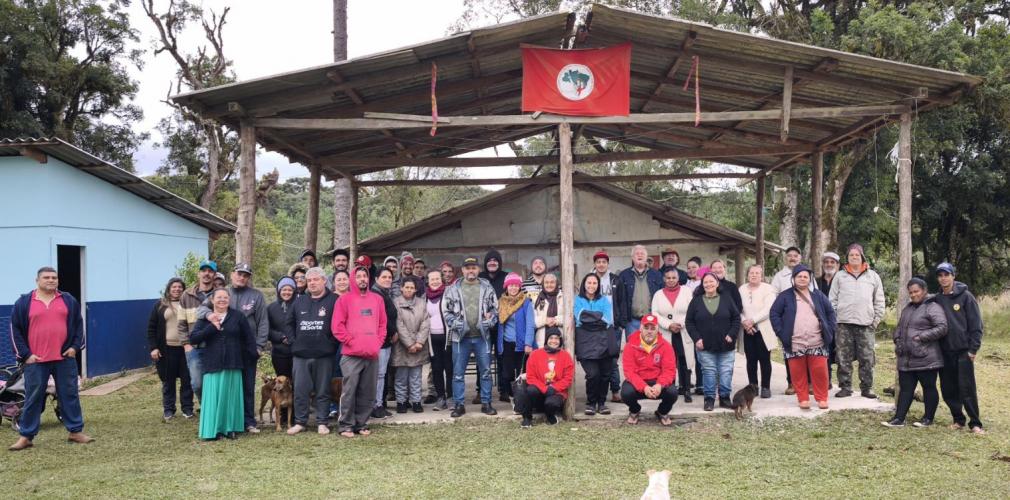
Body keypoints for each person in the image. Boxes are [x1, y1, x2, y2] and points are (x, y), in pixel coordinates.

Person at [8, 267, 92, 451]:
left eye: (54, 277)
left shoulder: (68, 300)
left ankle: (75, 431)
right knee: (33, 398)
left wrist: (74, 348)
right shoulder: (24, 302)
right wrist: (26, 355)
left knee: (69, 396)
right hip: (36, 361)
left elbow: (79, 325)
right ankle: (26, 436)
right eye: (46, 277)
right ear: (37, 280)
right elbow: (15, 331)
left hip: (64, 359)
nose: (51, 280)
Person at [199, 263, 268, 435]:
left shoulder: (256, 296)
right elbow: (200, 309)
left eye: (246, 275)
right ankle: (226, 420)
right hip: (226, 349)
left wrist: (259, 346)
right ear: (232, 274)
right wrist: (208, 314)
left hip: (248, 349)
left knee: (247, 386)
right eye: (239, 274)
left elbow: (263, 322)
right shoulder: (222, 293)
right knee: (228, 386)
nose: (242, 277)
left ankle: (249, 421)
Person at [190, 288, 257, 441]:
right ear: (212, 300)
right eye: (219, 297)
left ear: (229, 300)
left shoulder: (238, 316)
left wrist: (252, 356)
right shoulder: (206, 318)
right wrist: (212, 327)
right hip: (213, 364)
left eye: (225, 297)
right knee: (214, 398)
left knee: (230, 398)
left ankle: (230, 429)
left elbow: (248, 339)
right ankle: (214, 430)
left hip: (233, 364)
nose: (222, 300)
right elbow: (194, 338)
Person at [882, 278, 947, 428]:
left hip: (926, 357)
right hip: (906, 357)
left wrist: (921, 337)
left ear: (924, 290)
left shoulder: (932, 306)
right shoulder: (908, 308)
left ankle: (928, 418)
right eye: (910, 292)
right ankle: (899, 419)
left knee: (928, 387)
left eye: (916, 291)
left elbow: (942, 327)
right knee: (906, 389)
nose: (913, 295)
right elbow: (900, 327)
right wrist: (897, 338)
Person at [769, 265, 836, 410]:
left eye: (805, 276)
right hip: (794, 341)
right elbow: (774, 313)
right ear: (793, 279)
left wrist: (830, 329)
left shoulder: (817, 295)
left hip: (817, 340)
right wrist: (781, 332)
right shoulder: (785, 296)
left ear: (810, 279)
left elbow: (830, 312)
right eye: (799, 276)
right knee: (797, 372)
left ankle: (822, 398)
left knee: (820, 371)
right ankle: (803, 398)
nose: (802, 278)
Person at [283, 268, 339, 435]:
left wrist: (331, 343)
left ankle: (322, 421)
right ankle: (300, 421)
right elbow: (288, 323)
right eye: (310, 280)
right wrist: (294, 342)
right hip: (301, 354)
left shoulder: (334, 300)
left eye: (316, 279)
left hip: (324, 354)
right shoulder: (299, 301)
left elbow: (340, 323)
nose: (313, 283)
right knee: (301, 389)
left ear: (324, 281)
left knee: (323, 390)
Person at [333, 267, 388, 437]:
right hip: (351, 355)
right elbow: (337, 326)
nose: (362, 279)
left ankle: (361, 424)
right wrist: (351, 341)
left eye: (365, 276)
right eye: (358, 276)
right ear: (353, 279)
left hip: (372, 354)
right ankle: (345, 425)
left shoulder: (377, 299)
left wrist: (377, 342)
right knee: (349, 391)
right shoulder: (344, 300)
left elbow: (382, 324)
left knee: (368, 391)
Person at [443, 256, 499, 417]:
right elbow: (446, 312)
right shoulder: (453, 288)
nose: (471, 270)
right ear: (462, 270)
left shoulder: (487, 287)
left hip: (483, 336)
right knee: (458, 373)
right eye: (467, 268)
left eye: (474, 267)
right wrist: (455, 323)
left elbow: (496, 309)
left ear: (478, 269)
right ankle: (459, 405)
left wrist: (491, 321)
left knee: (486, 371)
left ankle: (486, 403)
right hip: (460, 338)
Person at [933, 262, 985, 434]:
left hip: (963, 351)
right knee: (948, 388)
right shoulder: (937, 299)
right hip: (944, 352)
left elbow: (976, 325)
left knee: (966, 387)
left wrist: (973, 349)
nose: (943, 278)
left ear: (953, 276)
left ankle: (975, 423)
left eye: (946, 274)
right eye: (940, 275)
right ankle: (958, 419)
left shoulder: (966, 297)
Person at [828, 243, 885, 399]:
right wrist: (835, 319)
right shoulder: (840, 276)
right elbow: (832, 299)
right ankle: (845, 387)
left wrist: (875, 320)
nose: (854, 257)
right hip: (843, 324)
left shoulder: (873, 276)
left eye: (857, 255)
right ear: (847, 258)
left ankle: (867, 388)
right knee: (842, 357)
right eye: (851, 255)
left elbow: (879, 300)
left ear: (862, 257)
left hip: (866, 324)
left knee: (867, 358)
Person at [686, 271, 741, 411]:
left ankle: (724, 398)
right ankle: (709, 399)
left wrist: (732, 334)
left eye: (711, 281)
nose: (709, 284)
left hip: (726, 344)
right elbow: (689, 322)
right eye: (705, 282)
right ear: (702, 285)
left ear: (717, 283)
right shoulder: (696, 301)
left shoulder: (727, 298)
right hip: (704, 344)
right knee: (709, 372)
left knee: (726, 371)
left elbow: (736, 318)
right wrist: (696, 338)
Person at [147, 277, 194, 422]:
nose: (177, 289)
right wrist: (154, 347)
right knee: (168, 381)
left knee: (187, 380)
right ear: (169, 289)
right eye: (174, 287)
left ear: (183, 289)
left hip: (186, 348)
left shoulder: (188, 304)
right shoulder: (160, 305)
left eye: (180, 287)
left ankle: (187, 409)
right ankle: (169, 410)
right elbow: (151, 328)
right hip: (166, 349)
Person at [621, 314, 679, 426]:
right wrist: (644, 387)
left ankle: (662, 411)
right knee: (626, 393)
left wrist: (659, 385)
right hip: (639, 382)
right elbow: (629, 372)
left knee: (672, 393)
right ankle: (635, 410)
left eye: (653, 328)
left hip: (657, 381)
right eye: (646, 328)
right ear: (640, 328)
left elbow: (669, 371)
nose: (649, 331)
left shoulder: (666, 346)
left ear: (657, 330)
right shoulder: (630, 345)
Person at [651, 268, 695, 402]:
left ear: (678, 278)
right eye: (668, 278)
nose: (671, 280)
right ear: (664, 279)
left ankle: (686, 389)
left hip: (683, 330)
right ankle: (670, 389)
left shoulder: (686, 291)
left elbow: (691, 310)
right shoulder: (658, 294)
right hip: (666, 332)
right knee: (668, 361)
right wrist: (669, 325)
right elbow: (655, 313)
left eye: (673, 278)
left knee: (684, 360)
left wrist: (679, 324)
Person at [574, 273, 615, 415]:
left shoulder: (604, 300)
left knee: (605, 374)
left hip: (603, 341)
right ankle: (591, 403)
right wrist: (597, 317)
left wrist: (589, 318)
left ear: (598, 285)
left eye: (594, 283)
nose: (591, 285)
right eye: (589, 282)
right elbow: (579, 317)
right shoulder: (577, 299)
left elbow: (607, 320)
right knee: (593, 374)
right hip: (584, 341)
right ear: (584, 284)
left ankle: (602, 403)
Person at [590, 250, 627, 404]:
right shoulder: (589, 279)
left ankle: (616, 390)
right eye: (598, 262)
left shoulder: (615, 280)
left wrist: (620, 323)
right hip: (593, 328)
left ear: (607, 264)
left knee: (612, 359)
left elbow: (622, 302)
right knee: (596, 360)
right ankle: (598, 392)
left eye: (604, 262)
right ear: (594, 264)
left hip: (612, 326)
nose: (601, 264)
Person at [516, 330, 574, 428]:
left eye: (557, 338)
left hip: (556, 392)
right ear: (546, 340)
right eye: (551, 338)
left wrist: (554, 388)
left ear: (560, 340)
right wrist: (545, 388)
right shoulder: (535, 354)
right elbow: (530, 376)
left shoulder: (566, 356)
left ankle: (550, 415)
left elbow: (568, 378)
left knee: (551, 403)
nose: (554, 341)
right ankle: (527, 418)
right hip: (540, 389)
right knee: (530, 390)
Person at [178, 260, 218, 401]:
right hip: (194, 347)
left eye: (210, 271)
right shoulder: (186, 295)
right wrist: (186, 345)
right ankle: (205, 406)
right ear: (199, 273)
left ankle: (213, 410)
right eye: (203, 270)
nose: (206, 274)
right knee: (197, 384)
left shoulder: (220, 294)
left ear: (214, 274)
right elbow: (181, 323)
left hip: (215, 346)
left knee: (215, 382)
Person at [739, 265, 777, 399]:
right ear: (747, 274)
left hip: (763, 328)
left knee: (764, 359)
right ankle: (753, 387)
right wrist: (745, 322)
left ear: (761, 275)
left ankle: (766, 387)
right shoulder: (742, 289)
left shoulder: (768, 288)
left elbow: (768, 309)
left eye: (757, 273)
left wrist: (752, 320)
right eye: (751, 273)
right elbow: (737, 308)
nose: (754, 275)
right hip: (747, 330)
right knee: (751, 360)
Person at [392, 280, 430, 413]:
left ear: (415, 290)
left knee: (416, 376)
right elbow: (398, 324)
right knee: (401, 376)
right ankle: (401, 401)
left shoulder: (421, 303)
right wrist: (409, 343)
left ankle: (416, 401)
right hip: (402, 346)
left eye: (411, 287)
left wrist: (419, 342)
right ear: (401, 289)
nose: (409, 289)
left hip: (419, 346)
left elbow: (426, 322)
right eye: (406, 287)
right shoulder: (395, 303)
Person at [497, 273, 535, 402]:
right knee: (507, 373)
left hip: (522, 344)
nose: (513, 288)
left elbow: (530, 324)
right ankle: (511, 396)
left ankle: (522, 398)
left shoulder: (526, 302)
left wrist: (528, 343)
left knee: (522, 373)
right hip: (506, 343)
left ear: (519, 287)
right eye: (510, 285)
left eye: (516, 285)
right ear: (506, 287)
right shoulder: (501, 302)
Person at [370, 268, 399, 419]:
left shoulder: (384, 294)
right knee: (379, 375)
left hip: (386, 341)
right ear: (376, 279)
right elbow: (382, 319)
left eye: (390, 277)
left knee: (381, 374)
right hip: (380, 341)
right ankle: (376, 406)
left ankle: (379, 404)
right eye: (384, 277)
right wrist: (393, 331)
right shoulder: (375, 295)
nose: (387, 279)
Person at [619, 244, 663, 337]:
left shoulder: (656, 274)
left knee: (651, 349)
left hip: (651, 320)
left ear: (646, 257)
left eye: (642, 253)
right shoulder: (624, 275)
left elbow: (661, 296)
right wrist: (623, 320)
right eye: (637, 253)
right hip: (632, 321)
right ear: (632, 257)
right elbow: (621, 299)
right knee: (633, 348)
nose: (640, 255)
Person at [424, 269, 453, 410]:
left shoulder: (449, 294)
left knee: (450, 368)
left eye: (437, 278)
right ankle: (441, 397)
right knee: (436, 369)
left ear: (441, 280)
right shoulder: (425, 297)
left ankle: (451, 397)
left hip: (448, 338)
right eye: (432, 279)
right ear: (428, 281)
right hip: (432, 339)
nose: (435, 281)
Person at [327, 269, 352, 418]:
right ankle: (333, 405)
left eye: (344, 279)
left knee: (346, 373)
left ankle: (346, 404)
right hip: (332, 340)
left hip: (348, 340)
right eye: (339, 279)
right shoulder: (329, 298)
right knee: (333, 372)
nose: (342, 281)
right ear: (334, 282)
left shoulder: (353, 297)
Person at [817, 251, 841, 387]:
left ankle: (844, 384)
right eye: (826, 262)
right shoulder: (816, 281)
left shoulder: (842, 280)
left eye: (832, 262)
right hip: (822, 322)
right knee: (824, 352)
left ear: (837, 265)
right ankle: (827, 380)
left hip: (839, 321)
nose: (829, 264)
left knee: (839, 352)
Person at [533, 273, 564, 348]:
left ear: (556, 284)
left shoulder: (563, 297)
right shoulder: (537, 298)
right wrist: (545, 320)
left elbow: (569, 318)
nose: (549, 285)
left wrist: (555, 320)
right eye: (546, 282)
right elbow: (533, 321)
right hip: (541, 340)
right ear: (543, 284)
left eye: (552, 282)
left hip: (560, 338)